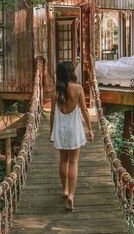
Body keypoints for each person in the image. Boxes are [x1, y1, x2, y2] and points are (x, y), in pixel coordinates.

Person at [50, 61, 94, 211]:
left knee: (63, 160)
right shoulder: (78, 89)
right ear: (71, 72)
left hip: (61, 129)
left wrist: (51, 132)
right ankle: (72, 196)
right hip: (74, 129)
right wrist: (90, 129)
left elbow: (51, 115)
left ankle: (65, 189)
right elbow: (85, 111)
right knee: (74, 162)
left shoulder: (55, 91)